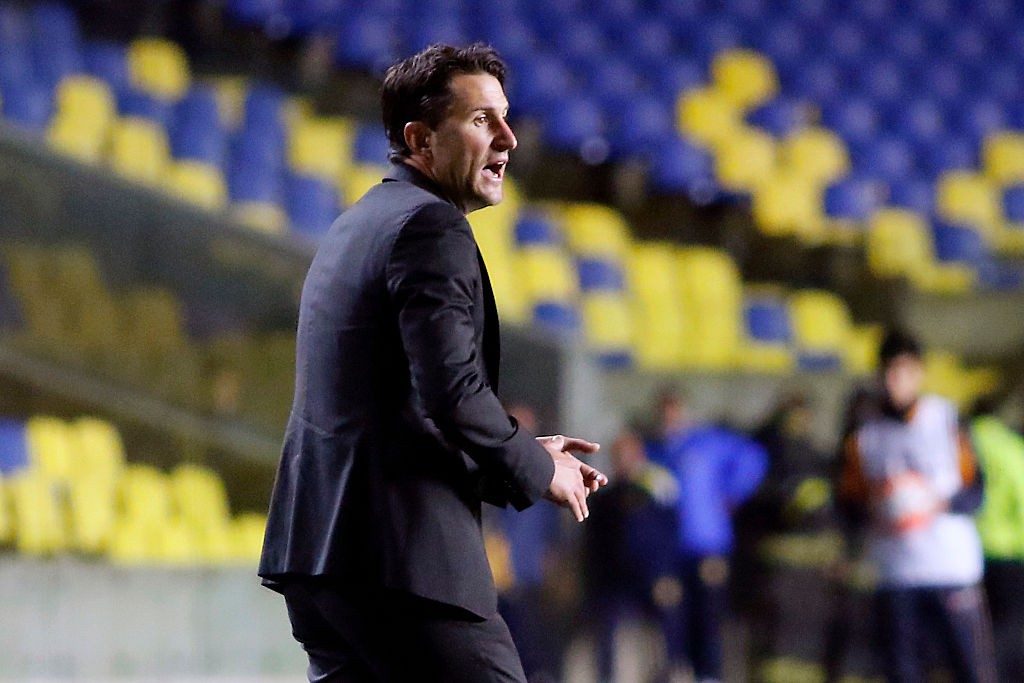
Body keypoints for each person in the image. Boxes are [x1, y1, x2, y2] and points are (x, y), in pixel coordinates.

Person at [257, 44, 607, 683]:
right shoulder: (430, 227)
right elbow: (451, 390)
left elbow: (400, 404)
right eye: (482, 121)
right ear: (420, 138)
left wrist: (522, 449)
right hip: (402, 568)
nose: (509, 138)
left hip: (323, 558)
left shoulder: (360, 222)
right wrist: (533, 467)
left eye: (506, 117)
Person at [838, 330, 996, 683]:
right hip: (896, 572)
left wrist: (935, 502)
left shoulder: (946, 420)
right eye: (890, 372)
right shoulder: (865, 434)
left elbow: (977, 492)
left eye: (906, 371)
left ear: (920, 373)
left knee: (970, 668)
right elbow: (849, 502)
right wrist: (881, 509)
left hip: (949, 568)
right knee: (901, 670)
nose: (897, 382)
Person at [656, 389, 768, 683]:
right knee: (679, 616)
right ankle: (685, 671)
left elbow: (754, 458)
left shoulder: (707, 443)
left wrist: (732, 493)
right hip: (674, 550)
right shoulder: (661, 451)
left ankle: (710, 674)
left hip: (709, 545)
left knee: (709, 616)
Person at [583, 426, 680, 683]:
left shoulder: (657, 492)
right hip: (613, 581)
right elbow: (593, 544)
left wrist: (666, 575)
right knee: (607, 642)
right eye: (619, 455)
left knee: (661, 642)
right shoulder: (604, 498)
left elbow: (668, 538)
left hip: (651, 577)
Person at [969, 398, 1024, 682]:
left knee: (981, 629)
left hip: (968, 553)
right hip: (1010, 551)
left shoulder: (963, 443)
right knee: (1011, 630)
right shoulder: (1009, 446)